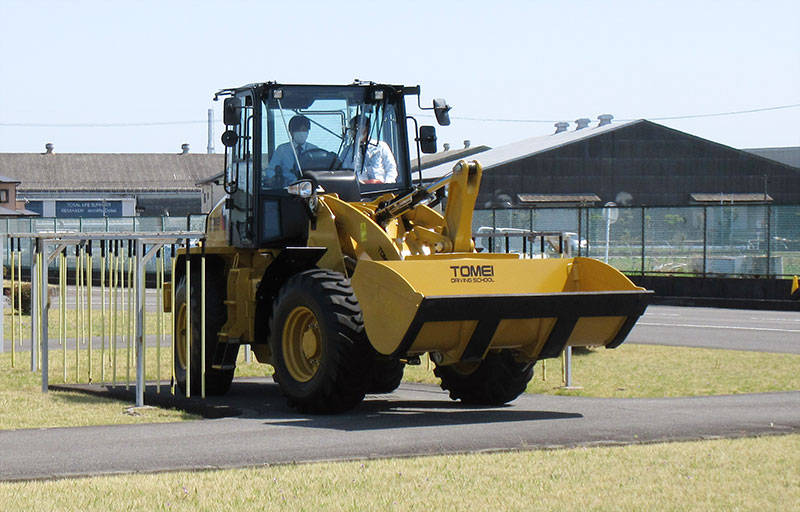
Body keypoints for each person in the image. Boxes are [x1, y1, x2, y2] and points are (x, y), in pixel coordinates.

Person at [339, 115, 398, 184]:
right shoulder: (347, 151)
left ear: (367, 129)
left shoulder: (381, 146)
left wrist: (388, 185)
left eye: (359, 128)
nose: (355, 132)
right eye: (353, 129)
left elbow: (391, 167)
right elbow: (342, 172)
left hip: (380, 188)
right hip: (358, 189)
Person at [264, 115, 317, 187]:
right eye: (297, 130)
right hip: (286, 190)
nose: (301, 133)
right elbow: (270, 170)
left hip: (309, 189)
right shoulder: (282, 149)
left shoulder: (314, 150)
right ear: (291, 132)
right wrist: (275, 178)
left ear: (308, 132)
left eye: (304, 130)